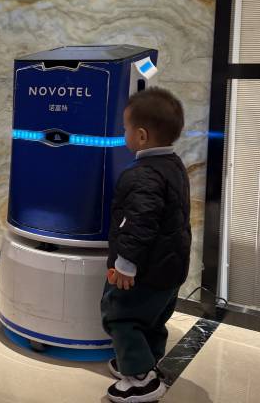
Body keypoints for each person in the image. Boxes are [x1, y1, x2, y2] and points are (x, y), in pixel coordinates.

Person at [101, 87, 191, 403]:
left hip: (144, 270)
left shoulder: (143, 176)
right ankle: (144, 360)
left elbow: (138, 224)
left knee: (121, 317)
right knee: (152, 319)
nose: (123, 134)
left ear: (141, 136)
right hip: (169, 268)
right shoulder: (174, 165)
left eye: (125, 128)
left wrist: (125, 264)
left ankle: (140, 379)